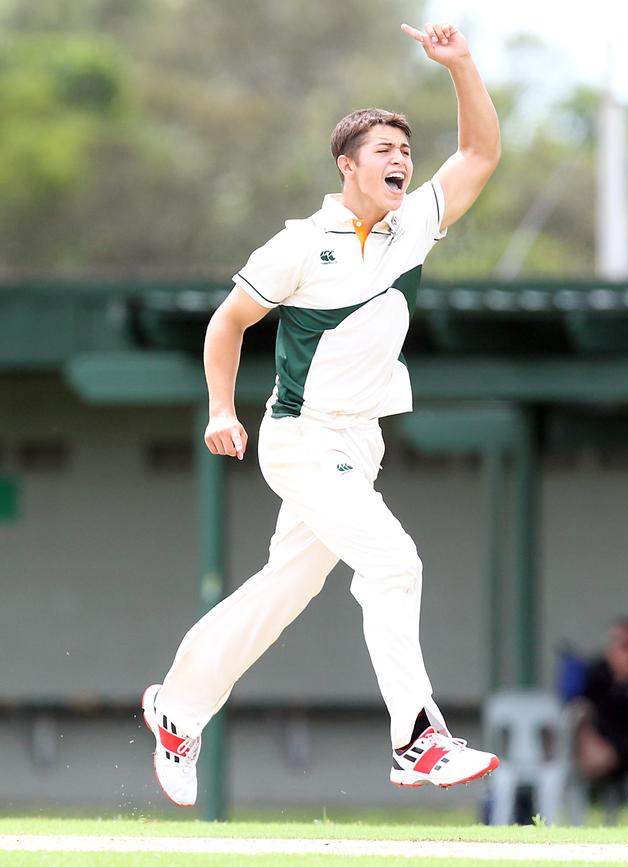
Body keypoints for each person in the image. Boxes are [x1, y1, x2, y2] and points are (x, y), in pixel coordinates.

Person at [142, 20, 501, 807]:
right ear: (348, 165)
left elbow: (478, 156)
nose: (402, 161)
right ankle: (417, 737)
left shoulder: (413, 228)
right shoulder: (300, 245)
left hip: (356, 445)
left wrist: (461, 65)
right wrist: (217, 408)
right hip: (300, 439)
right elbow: (227, 323)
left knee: (283, 591)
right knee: (394, 562)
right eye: (385, 151)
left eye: (406, 152)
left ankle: (178, 707)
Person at [573, 618, 628, 786]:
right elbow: (582, 711)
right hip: (602, 748)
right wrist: (587, 740)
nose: (622, 653)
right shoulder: (597, 676)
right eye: (617, 645)